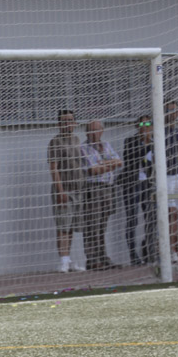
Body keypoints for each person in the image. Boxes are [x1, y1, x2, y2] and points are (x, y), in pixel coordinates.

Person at [79, 119, 122, 271]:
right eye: (91, 130)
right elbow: (92, 170)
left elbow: (119, 162)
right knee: (92, 224)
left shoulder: (107, 145)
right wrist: (109, 165)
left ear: (102, 131)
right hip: (93, 188)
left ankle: (103, 257)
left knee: (103, 225)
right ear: (86, 132)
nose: (94, 133)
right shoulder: (83, 147)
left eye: (97, 130)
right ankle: (92, 259)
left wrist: (104, 165)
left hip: (108, 188)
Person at [47, 109, 85, 273]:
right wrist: (60, 190)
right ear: (59, 124)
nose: (67, 124)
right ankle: (62, 261)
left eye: (70, 120)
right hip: (64, 189)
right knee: (63, 225)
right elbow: (53, 168)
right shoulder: (55, 142)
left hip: (78, 189)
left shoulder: (77, 139)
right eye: (64, 121)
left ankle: (68, 259)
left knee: (71, 226)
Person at [118, 115, 156, 266]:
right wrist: (146, 144)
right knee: (132, 219)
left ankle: (150, 252)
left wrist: (150, 143)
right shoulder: (130, 141)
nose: (144, 126)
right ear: (137, 126)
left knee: (151, 218)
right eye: (141, 123)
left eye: (148, 123)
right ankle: (133, 256)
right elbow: (131, 159)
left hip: (148, 184)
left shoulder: (156, 142)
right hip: (132, 184)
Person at [164, 101, 178, 262]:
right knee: (170, 214)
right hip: (166, 177)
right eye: (170, 111)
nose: (174, 114)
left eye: (176, 111)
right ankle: (170, 251)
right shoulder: (159, 132)